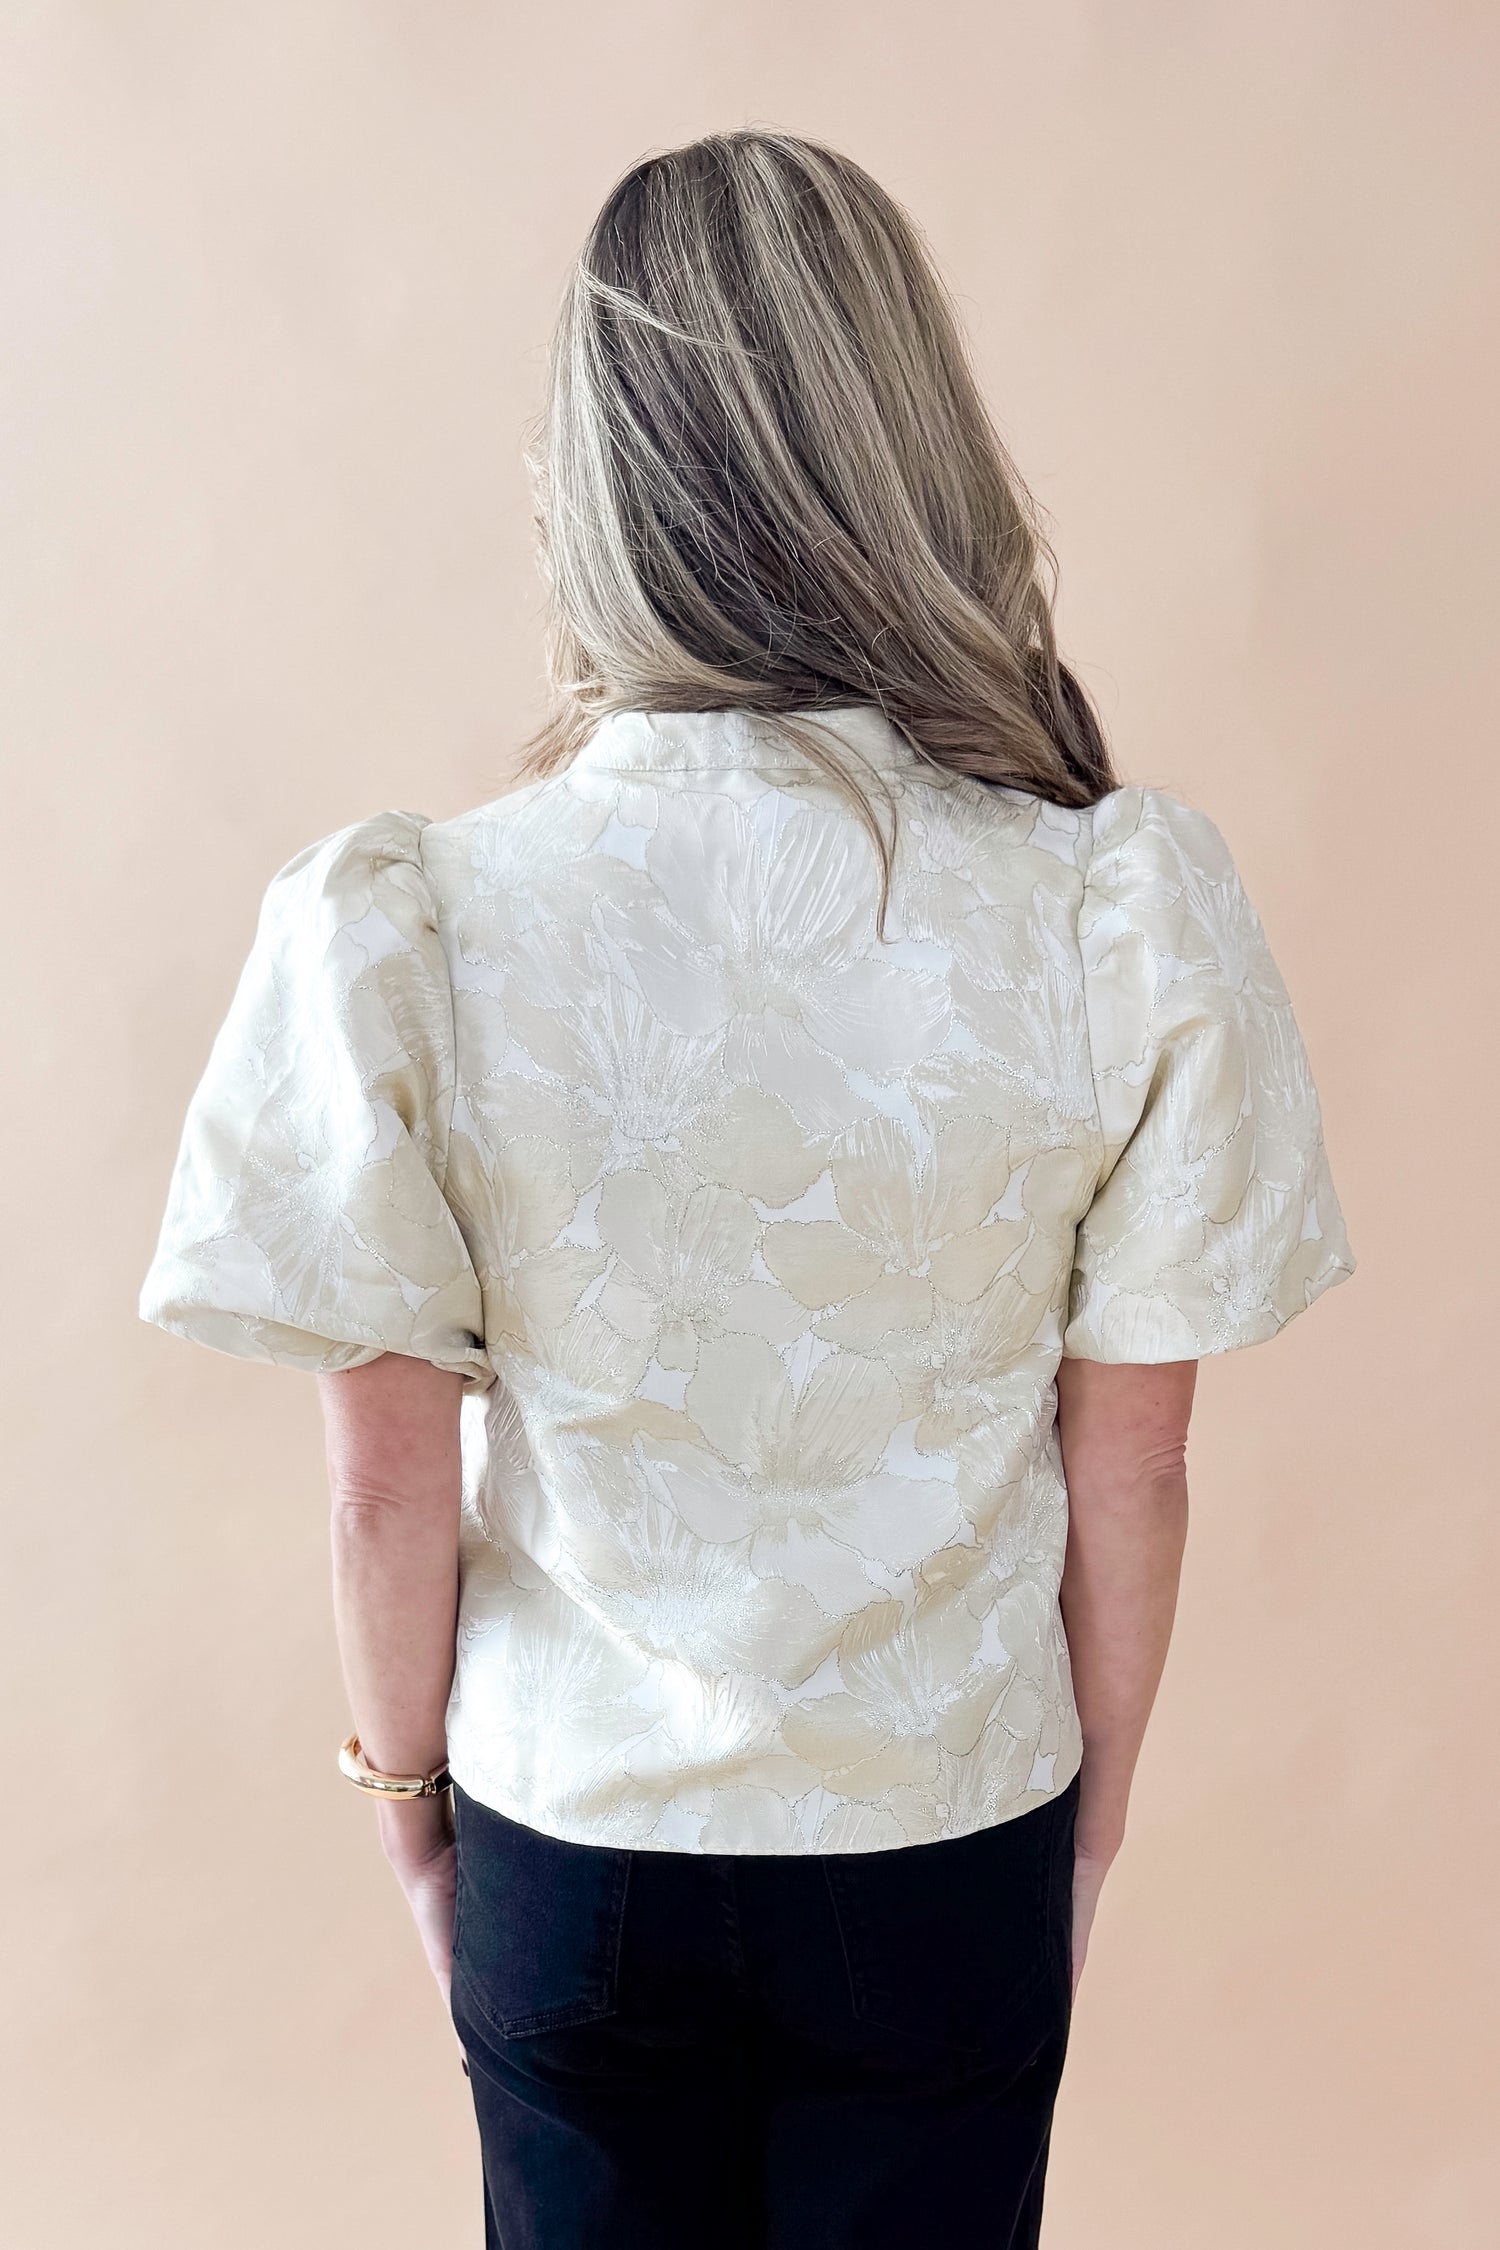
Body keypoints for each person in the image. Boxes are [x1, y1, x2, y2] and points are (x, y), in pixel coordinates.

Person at [139, 129, 1355, 2250]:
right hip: (947, 1835)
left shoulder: (421, 922)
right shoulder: (1106, 904)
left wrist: (417, 1820)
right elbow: (1134, 1471)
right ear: (911, 446)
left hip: (573, 1841)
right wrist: (1086, 1829)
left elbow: (384, 1496)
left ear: (596, 479)